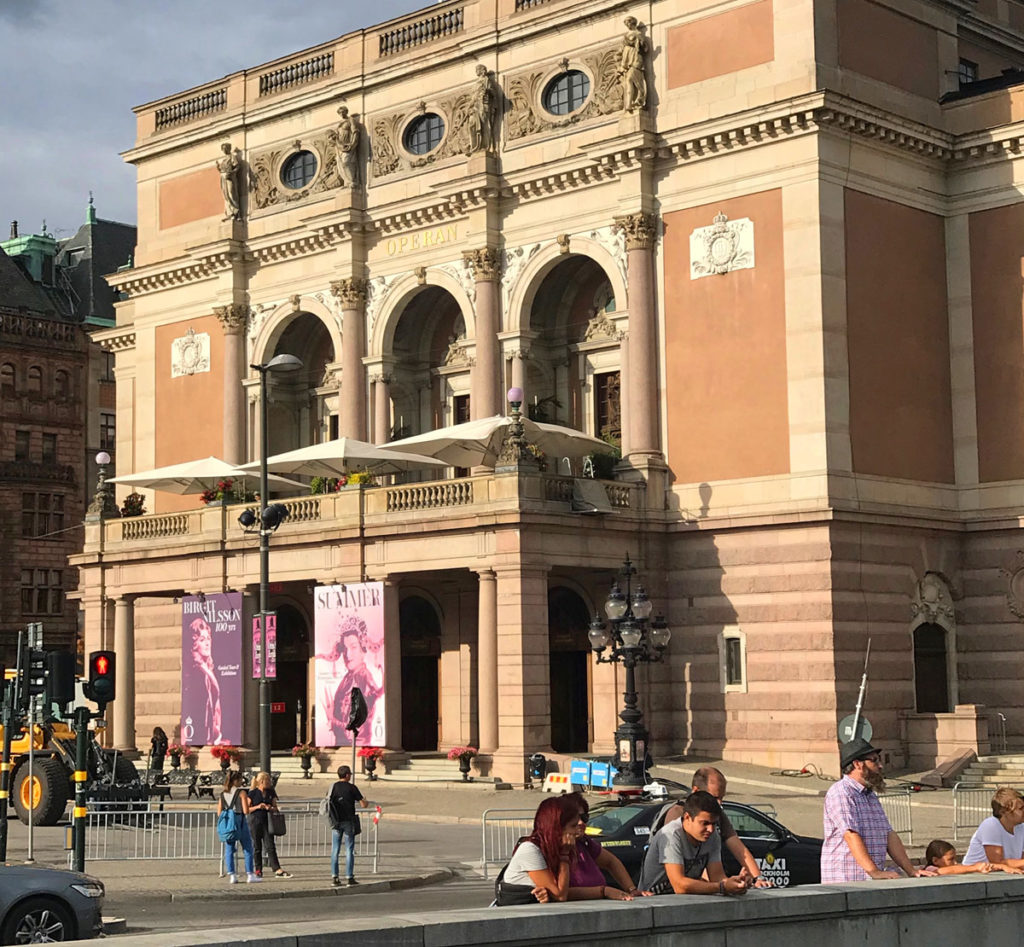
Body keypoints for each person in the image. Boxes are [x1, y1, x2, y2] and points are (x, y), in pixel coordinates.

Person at [820, 738, 926, 882]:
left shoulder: (870, 795)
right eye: (874, 761)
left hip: (867, 880)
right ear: (857, 764)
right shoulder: (841, 792)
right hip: (846, 879)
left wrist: (911, 870)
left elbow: (889, 835)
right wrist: (874, 871)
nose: (880, 766)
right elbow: (850, 834)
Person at [658, 767, 771, 887]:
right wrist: (716, 886)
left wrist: (757, 878)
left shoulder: (716, 815)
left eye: (722, 797)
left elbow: (738, 848)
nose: (719, 803)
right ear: (696, 791)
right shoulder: (677, 814)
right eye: (714, 797)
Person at [639, 790, 750, 896]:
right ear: (687, 817)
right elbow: (679, 886)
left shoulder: (713, 836)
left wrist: (736, 883)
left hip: (686, 900)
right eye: (705, 823)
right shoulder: (671, 834)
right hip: (654, 899)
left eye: (714, 823)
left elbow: (717, 877)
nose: (710, 829)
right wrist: (722, 887)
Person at [563, 794, 650, 899]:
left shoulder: (585, 843)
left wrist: (632, 890)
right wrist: (604, 891)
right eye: (574, 819)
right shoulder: (549, 849)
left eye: (584, 817)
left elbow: (611, 862)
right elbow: (559, 894)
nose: (581, 822)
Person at [329, 618, 382, 745]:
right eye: (344, 649)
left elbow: (352, 725)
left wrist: (331, 717)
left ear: (363, 650)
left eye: (353, 647)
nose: (347, 655)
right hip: (344, 744)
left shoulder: (363, 677)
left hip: (357, 744)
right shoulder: (347, 678)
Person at [182, 617, 224, 745]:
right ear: (194, 644)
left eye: (208, 639)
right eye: (202, 639)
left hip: (213, 735)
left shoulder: (207, 669)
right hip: (203, 735)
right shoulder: (197, 672)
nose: (207, 643)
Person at [962, 787, 1024, 869]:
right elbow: (997, 861)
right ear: (1004, 811)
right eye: (1021, 808)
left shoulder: (1021, 827)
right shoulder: (991, 825)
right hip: (974, 875)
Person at [328, 765, 368, 887]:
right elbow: (363, 805)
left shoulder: (333, 787)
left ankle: (335, 877)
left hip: (336, 821)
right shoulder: (352, 788)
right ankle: (349, 877)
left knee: (335, 849)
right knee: (349, 849)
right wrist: (366, 800)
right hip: (348, 821)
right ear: (347, 775)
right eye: (350, 774)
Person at [247, 772, 292, 879]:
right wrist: (258, 806)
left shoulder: (271, 792)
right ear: (262, 781)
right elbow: (247, 809)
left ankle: (277, 869)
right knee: (257, 846)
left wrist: (270, 808)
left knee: (270, 846)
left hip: (268, 821)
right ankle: (258, 869)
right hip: (255, 820)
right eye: (268, 780)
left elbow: (275, 806)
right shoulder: (252, 793)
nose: (270, 783)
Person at [217, 770, 258, 884]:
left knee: (229, 849)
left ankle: (232, 875)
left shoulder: (223, 794)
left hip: (228, 823)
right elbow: (245, 810)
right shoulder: (241, 793)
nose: (241, 782)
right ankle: (250, 874)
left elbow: (219, 812)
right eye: (240, 780)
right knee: (247, 847)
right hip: (239, 820)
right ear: (236, 780)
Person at [923, 838, 1023, 875]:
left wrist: (1002, 867)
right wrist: (974, 868)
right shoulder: (930, 869)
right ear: (935, 860)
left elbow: (958, 868)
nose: (955, 862)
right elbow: (942, 871)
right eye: (950, 859)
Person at [217, 142, 240, 220]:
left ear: (228, 148)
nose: (223, 150)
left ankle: (236, 212)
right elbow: (221, 169)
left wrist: (231, 173)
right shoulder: (224, 160)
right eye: (222, 149)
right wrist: (218, 168)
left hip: (230, 177)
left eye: (225, 148)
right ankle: (229, 213)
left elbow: (237, 167)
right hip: (223, 177)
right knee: (225, 194)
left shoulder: (232, 157)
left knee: (231, 193)